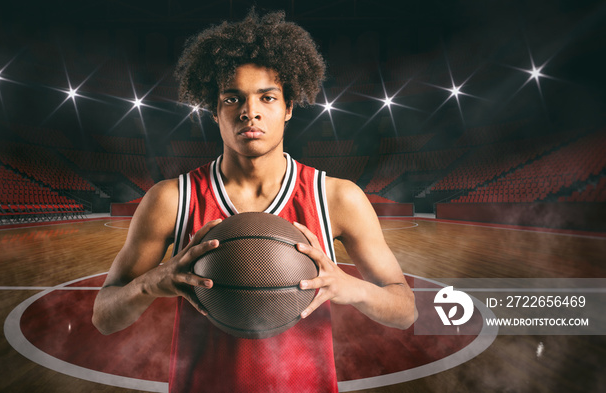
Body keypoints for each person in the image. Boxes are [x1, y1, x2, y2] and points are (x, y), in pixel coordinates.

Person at [92, 10, 416, 393]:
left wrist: (349, 286)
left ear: (289, 108)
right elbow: (104, 316)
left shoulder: (336, 198)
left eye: (267, 96)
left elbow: (406, 310)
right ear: (214, 111)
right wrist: (151, 283)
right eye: (233, 98)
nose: (250, 111)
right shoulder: (171, 200)